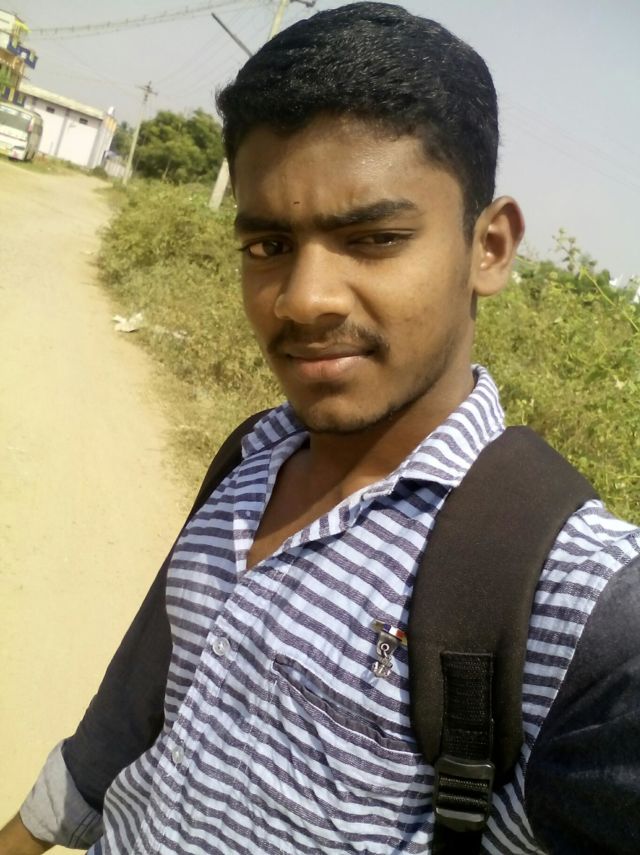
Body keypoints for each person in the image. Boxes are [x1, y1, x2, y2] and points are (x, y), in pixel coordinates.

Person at [2, 3, 639, 853]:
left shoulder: (574, 603)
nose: (303, 300)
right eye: (268, 246)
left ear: (488, 247)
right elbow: (141, 699)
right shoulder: (250, 457)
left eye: (374, 238)